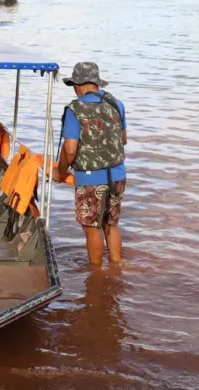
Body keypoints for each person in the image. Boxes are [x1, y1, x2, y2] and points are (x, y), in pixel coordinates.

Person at [56, 63, 128, 266]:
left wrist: (60, 171)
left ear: (78, 85)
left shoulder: (75, 109)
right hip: (118, 175)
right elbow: (123, 139)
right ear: (97, 83)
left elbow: (70, 150)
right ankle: (116, 266)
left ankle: (96, 274)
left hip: (90, 179)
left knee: (92, 227)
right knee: (111, 224)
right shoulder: (117, 103)